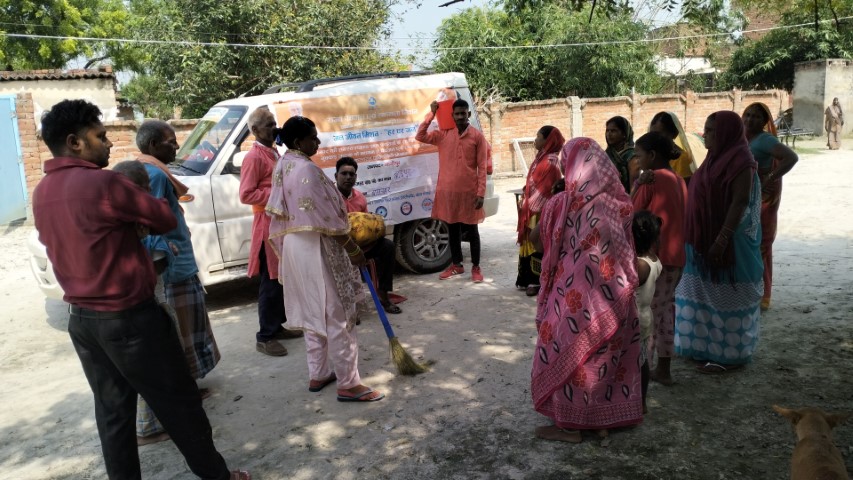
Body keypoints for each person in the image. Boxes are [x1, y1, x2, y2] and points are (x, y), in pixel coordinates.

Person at [32, 99, 248, 480]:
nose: (109, 144)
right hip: (129, 318)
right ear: (75, 142)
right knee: (180, 403)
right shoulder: (105, 184)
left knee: (113, 415)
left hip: (83, 322)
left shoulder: (43, 191)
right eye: (100, 136)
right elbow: (164, 217)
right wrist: (137, 217)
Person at [530, 138, 643, 443]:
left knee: (569, 357)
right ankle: (599, 422)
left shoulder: (563, 203)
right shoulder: (619, 203)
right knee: (603, 359)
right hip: (615, 296)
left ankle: (570, 427)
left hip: (574, 297)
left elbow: (536, 242)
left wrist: (551, 205)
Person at [267, 116, 384, 402]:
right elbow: (328, 219)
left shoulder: (283, 163)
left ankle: (318, 372)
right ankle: (349, 383)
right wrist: (353, 249)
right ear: (298, 142)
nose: (318, 142)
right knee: (337, 314)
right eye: (313, 137)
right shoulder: (307, 168)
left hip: (296, 246)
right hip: (317, 246)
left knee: (313, 310)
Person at [675, 111, 764, 374]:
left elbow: (739, 202)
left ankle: (728, 356)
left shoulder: (741, 161)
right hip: (701, 241)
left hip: (728, 244)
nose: (706, 135)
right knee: (701, 295)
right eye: (706, 129)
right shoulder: (713, 158)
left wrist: (722, 239)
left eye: (712, 130)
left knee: (726, 299)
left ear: (726, 133)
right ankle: (703, 349)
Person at [136, 120, 221, 387]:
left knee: (184, 326)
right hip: (173, 266)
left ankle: (185, 384)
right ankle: (185, 386)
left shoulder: (147, 170)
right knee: (183, 329)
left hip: (174, 263)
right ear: (153, 145)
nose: (176, 147)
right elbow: (152, 224)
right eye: (171, 142)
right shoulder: (155, 175)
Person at [112, 160, 176, 447]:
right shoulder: (137, 219)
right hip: (139, 306)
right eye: (145, 187)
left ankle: (145, 426)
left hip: (118, 311)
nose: (149, 192)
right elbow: (158, 261)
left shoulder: (113, 217)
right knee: (150, 370)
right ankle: (147, 428)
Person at [239, 107, 303, 357]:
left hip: (280, 223)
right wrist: (278, 194)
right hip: (267, 225)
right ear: (255, 130)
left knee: (281, 278)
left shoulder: (274, 152)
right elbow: (246, 194)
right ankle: (265, 336)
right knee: (271, 281)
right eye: (269, 125)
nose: (274, 128)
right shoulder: (253, 157)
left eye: (274, 123)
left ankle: (277, 327)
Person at [631, 132, 688, 386]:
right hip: (676, 257)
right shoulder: (678, 179)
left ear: (652, 155)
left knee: (647, 317)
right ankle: (662, 369)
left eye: (639, 155)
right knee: (664, 314)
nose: (637, 160)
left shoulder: (652, 179)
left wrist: (637, 184)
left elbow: (631, 212)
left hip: (656, 258)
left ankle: (640, 372)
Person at [416, 98, 489, 283]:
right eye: (457, 114)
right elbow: (420, 136)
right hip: (448, 192)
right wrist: (431, 113)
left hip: (470, 193)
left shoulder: (477, 137)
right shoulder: (443, 134)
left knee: (472, 231)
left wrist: (481, 193)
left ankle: (476, 267)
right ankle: (457, 265)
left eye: (463, 113)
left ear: (468, 114)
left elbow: (482, 167)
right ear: (452, 115)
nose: (460, 117)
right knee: (453, 230)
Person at [742, 102, 798, 312]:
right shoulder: (741, 138)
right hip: (744, 199)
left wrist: (770, 177)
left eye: (756, 116)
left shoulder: (765, 140)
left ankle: (760, 294)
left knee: (759, 245)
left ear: (765, 122)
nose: (750, 119)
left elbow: (791, 157)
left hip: (761, 201)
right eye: (748, 115)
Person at [334, 156, 402, 314]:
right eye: (344, 173)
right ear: (336, 176)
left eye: (351, 174)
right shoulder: (330, 198)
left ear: (356, 177)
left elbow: (367, 226)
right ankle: (347, 307)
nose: (348, 177)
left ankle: (383, 295)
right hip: (340, 246)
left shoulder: (360, 198)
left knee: (387, 246)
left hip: (360, 246)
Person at [516, 126, 564, 296]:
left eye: (538, 137)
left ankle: (536, 281)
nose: (535, 140)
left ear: (547, 141)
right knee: (529, 242)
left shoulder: (551, 162)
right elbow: (534, 182)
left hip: (541, 210)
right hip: (532, 207)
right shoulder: (541, 158)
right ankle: (526, 278)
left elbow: (546, 189)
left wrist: (529, 203)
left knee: (538, 243)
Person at [632, 210, 663, 413]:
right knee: (642, 359)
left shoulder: (640, 265)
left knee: (637, 361)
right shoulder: (653, 259)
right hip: (644, 317)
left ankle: (639, 401)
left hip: (634, 320)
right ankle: (642, 401)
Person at [648, 111, 707, 183]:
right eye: (652, 134)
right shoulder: (653, 155)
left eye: (659, 134)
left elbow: (684, 186)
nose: (654, 138)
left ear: (674, 134)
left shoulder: (681, 158)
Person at [604, 116, 635, 192]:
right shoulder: (605, 154)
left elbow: (634, 186)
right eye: (607, 131)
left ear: (624, 134)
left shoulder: (631, 155)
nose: (609, 134)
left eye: (613, 131)